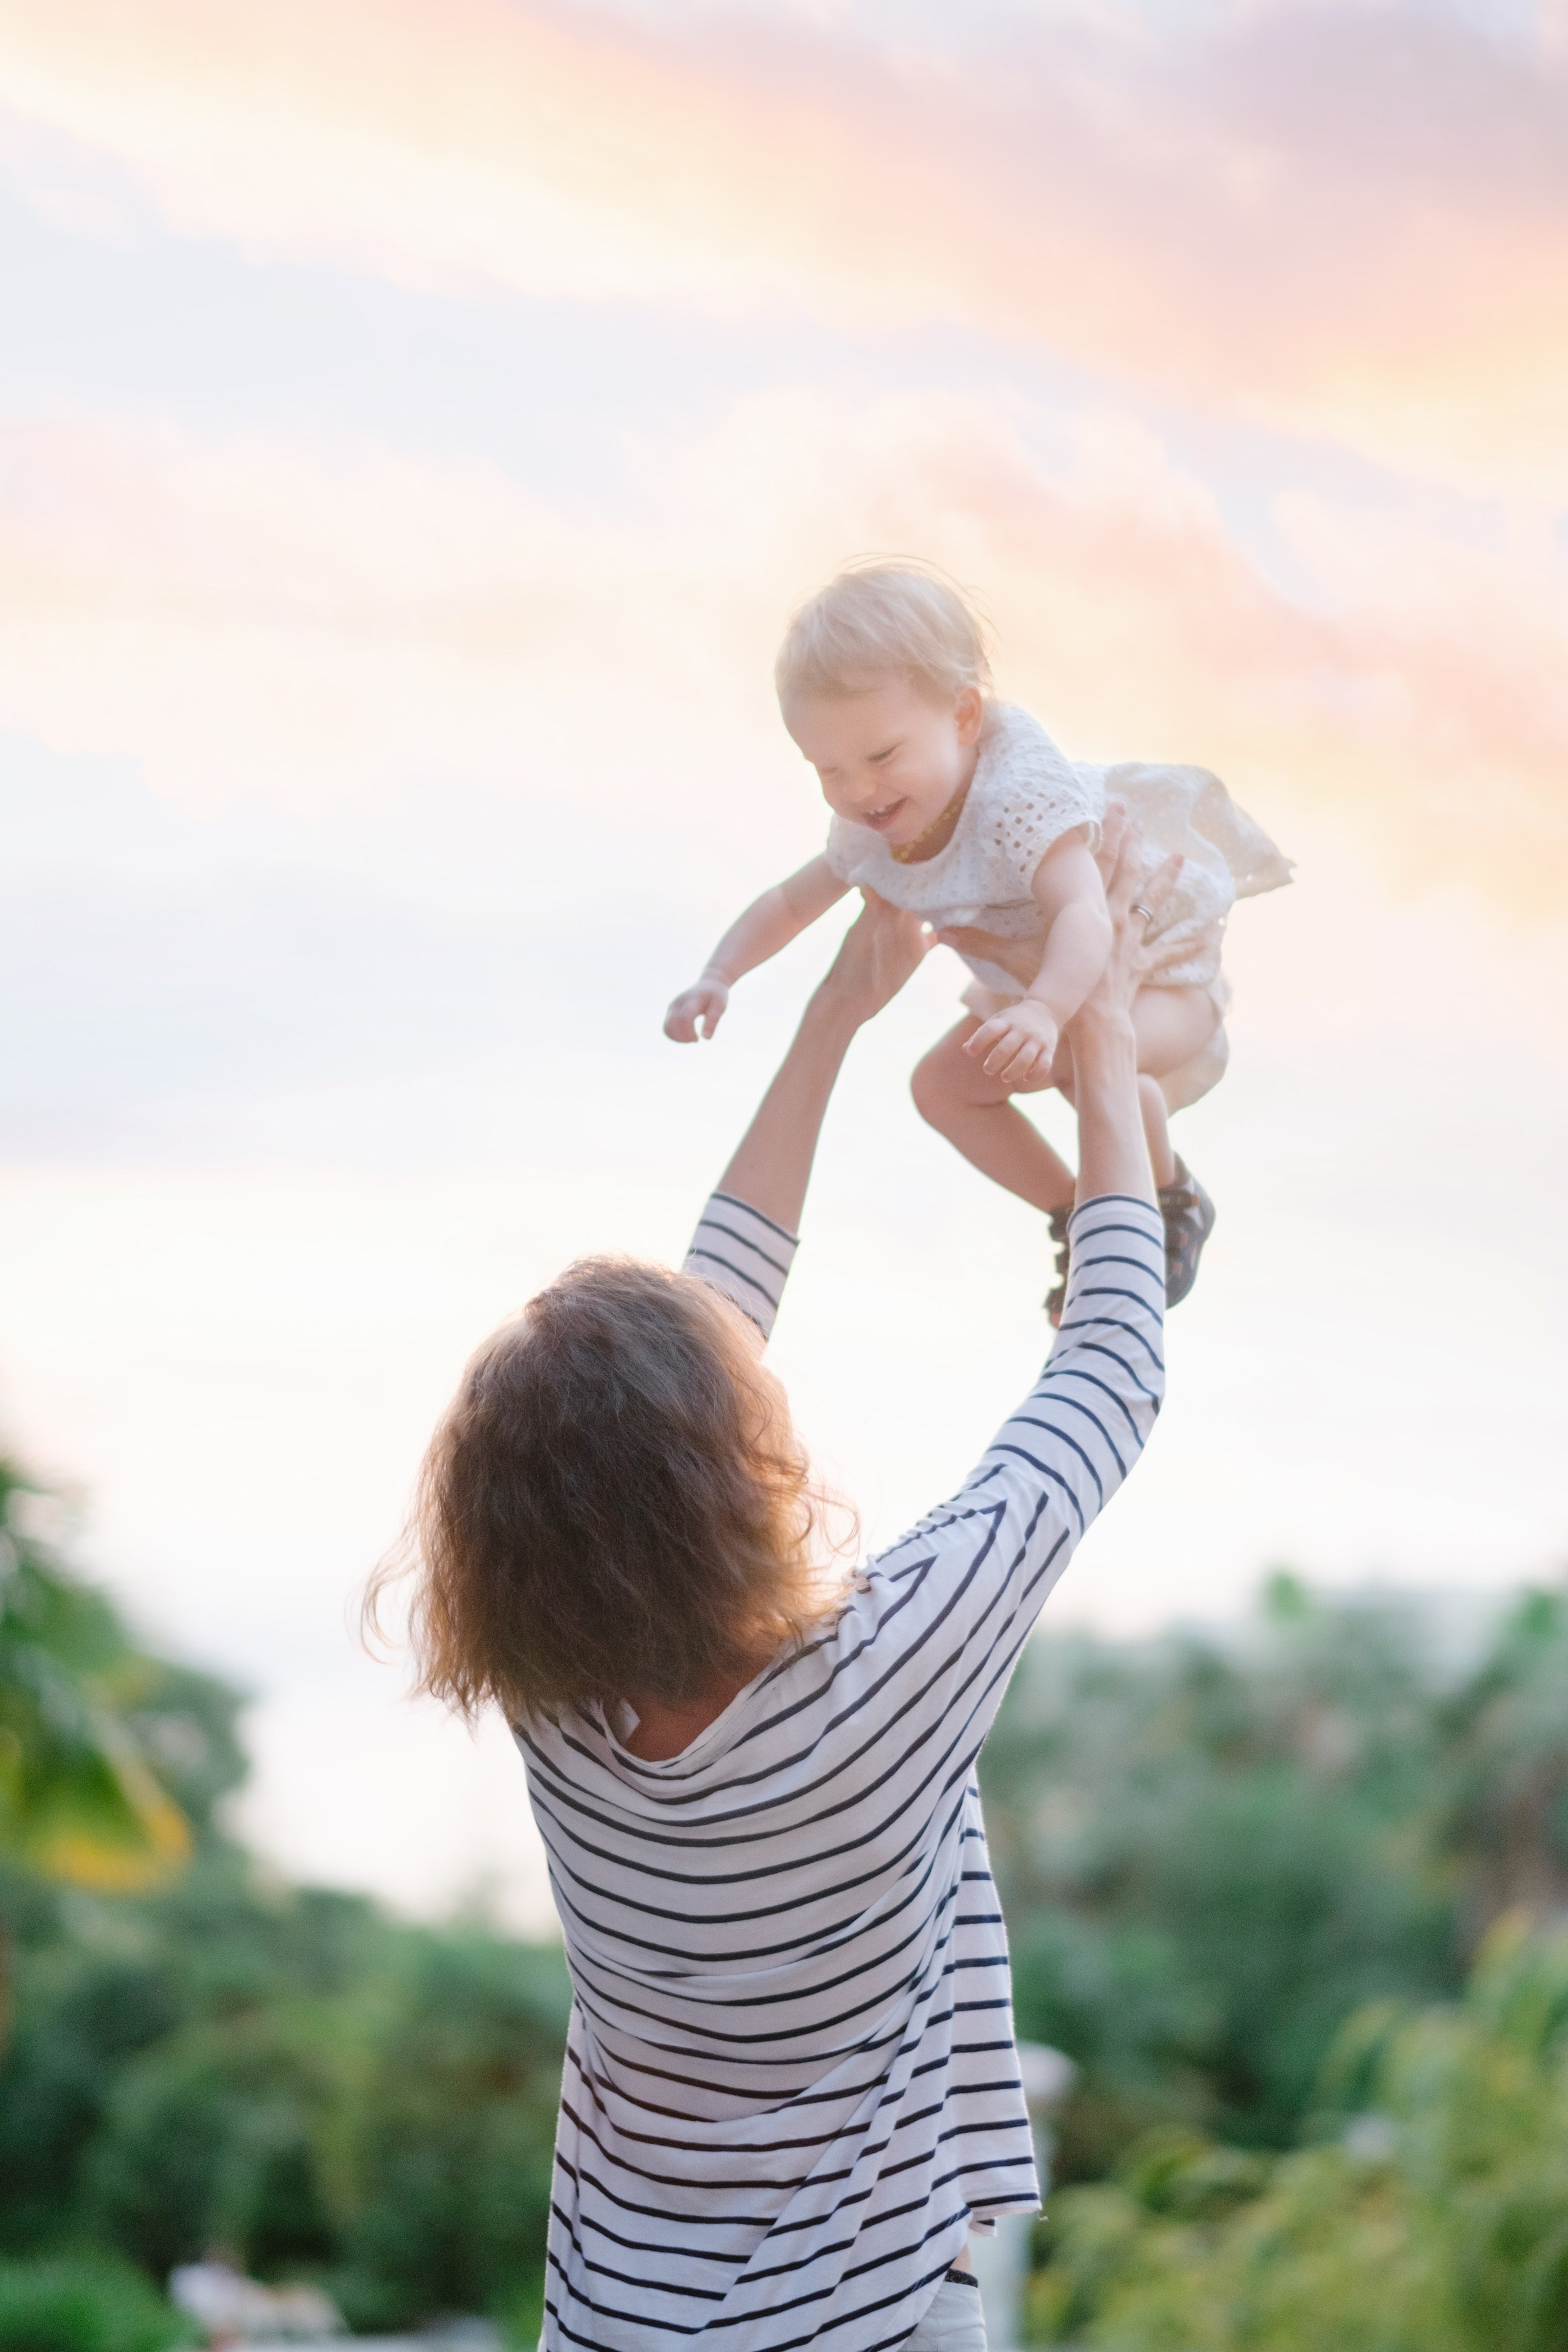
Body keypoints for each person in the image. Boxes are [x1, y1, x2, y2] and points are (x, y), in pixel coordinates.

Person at [377, 821, 1177, 2351]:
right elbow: (1111, 1367)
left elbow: (690, 1352)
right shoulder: (890, 1666)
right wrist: (1098, 1052)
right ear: (726, 1464)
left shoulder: (560, 1706)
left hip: (617, 2321)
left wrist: (828, 1011)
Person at [665, 559, 1291, 1318]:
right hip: (1037, 990)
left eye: (880, 756)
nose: (857, 791)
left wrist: (1043, 1013)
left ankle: (1170, 1202)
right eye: (826, 769)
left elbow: (1087, 917)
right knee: (940, 1088)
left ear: (964, 717)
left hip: (1161, 977)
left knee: (1082, 1071)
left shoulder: (1016, 798)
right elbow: (789, 902)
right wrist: (719, 973)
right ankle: (1075, 1209)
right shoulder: (874, 826)